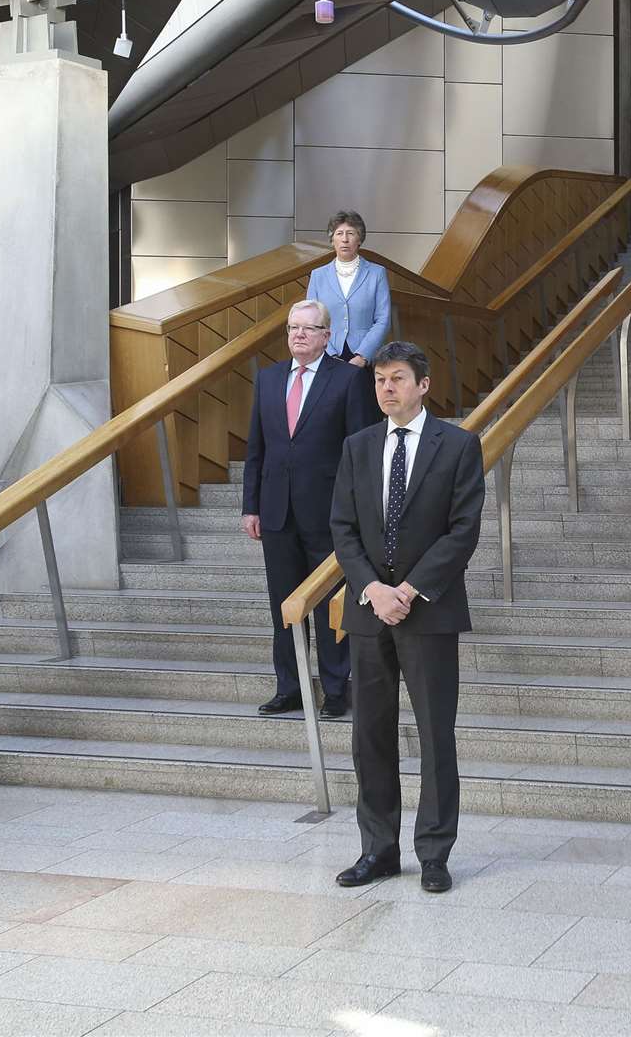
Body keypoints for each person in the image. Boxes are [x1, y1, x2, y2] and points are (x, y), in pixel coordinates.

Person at [329, 341, 484, 894]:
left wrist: (410, 591)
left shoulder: (460, 445)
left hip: (429, 613)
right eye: (379, 380)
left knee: (435, 734)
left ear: (423, 385)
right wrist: (373, 588)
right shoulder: (357, 447)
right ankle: (379, 849)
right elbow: (343, 527)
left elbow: (462, 531)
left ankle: (435, 853)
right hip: (370, 612)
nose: (386, 388)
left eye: (397, 379)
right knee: (369, 734)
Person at [243, 299, 380, 719]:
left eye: (308, 328)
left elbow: (361, 449)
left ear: (327, 335)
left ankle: (338, 689)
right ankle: (291, 687)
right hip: (276, 512)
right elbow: (257, 448)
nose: (298, 334)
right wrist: (251, 506)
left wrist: (356, 510)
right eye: (292, 328)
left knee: (329, 605)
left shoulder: (348, 380)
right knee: (284, 605)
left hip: (328, 513)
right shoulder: (268, 379)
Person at [306, 210, 392, 366]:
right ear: (332, 240)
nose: (344, 239)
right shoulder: (318, 275)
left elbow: (383, 319)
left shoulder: (376, 273)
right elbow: (312, 320)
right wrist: (330, 354)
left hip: (365, 357)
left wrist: (363, 356)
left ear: (359, 239)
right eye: (339, 233)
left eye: (351, 233)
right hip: (328, 356)